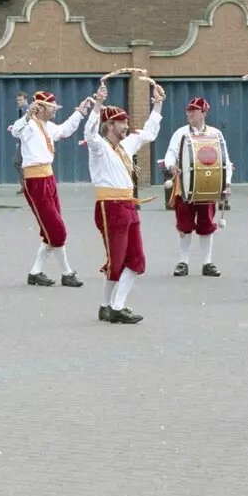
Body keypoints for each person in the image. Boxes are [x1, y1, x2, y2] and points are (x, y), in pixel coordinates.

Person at [85, 83, 164, 324]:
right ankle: (110, 306)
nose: (127, 126)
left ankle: (112, 306)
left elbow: (149, 133)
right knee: (117, 260)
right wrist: (98, 105)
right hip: (110, 208)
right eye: (122, 123)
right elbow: (89, 133)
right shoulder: (99, 148)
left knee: (136, 259)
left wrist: (158, 104)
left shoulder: (126, 145)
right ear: (110, 125)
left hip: (128, 206)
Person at [12, 89, 93, 288]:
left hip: (48, 177)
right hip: (35, 180)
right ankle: (67, 273)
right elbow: (15, 130)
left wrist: (79, 113)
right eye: (51, 108)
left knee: (50, 226)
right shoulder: (29, 125)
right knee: (56, 228)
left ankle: (35, 272)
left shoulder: (47, 126)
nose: (54, 111)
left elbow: (65, 130)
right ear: (40, 108)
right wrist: (27, 115)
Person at [159, 96, 232, 277]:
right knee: (184, 225)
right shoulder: (181, 133)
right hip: (184, 186)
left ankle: (207, 262)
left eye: (194, 110)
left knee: (207, 224)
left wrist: (226, 183)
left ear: (204, 113)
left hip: (208, 185)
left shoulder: (215, 134)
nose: (190, 113)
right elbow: (170, 153)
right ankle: (183, 262)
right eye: (188, 110)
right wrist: (171, 166)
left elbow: (225, 161)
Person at [13, 92, 28, 195]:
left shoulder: (27, 111)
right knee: (21, 163)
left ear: (25, 100)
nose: (18, 102)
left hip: (26, 141)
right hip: (22, 140)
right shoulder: (21, 110)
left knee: (17, 161)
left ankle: (27, 184)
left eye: (20, 100)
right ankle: (25, 186)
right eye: (17, 100)